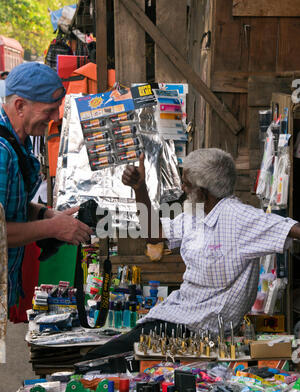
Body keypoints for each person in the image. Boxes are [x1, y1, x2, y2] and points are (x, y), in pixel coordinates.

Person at [82, 148, 300, 361]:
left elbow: (292, 230)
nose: (182, 188)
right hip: (174, 317)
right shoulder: (195, 213)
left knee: (96, 363)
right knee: (98, 360)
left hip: (196, 328)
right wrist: (140, 189)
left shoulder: (239, 217)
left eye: (186, 183)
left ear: (204, 190)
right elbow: (153, 234)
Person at [0, 62, 93, 310]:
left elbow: (9, 206)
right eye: (49, 110)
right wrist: (52, 227)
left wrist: (45, 214)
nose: (55, 118)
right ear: (20, 106)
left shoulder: (19, 141)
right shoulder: (1, 151)